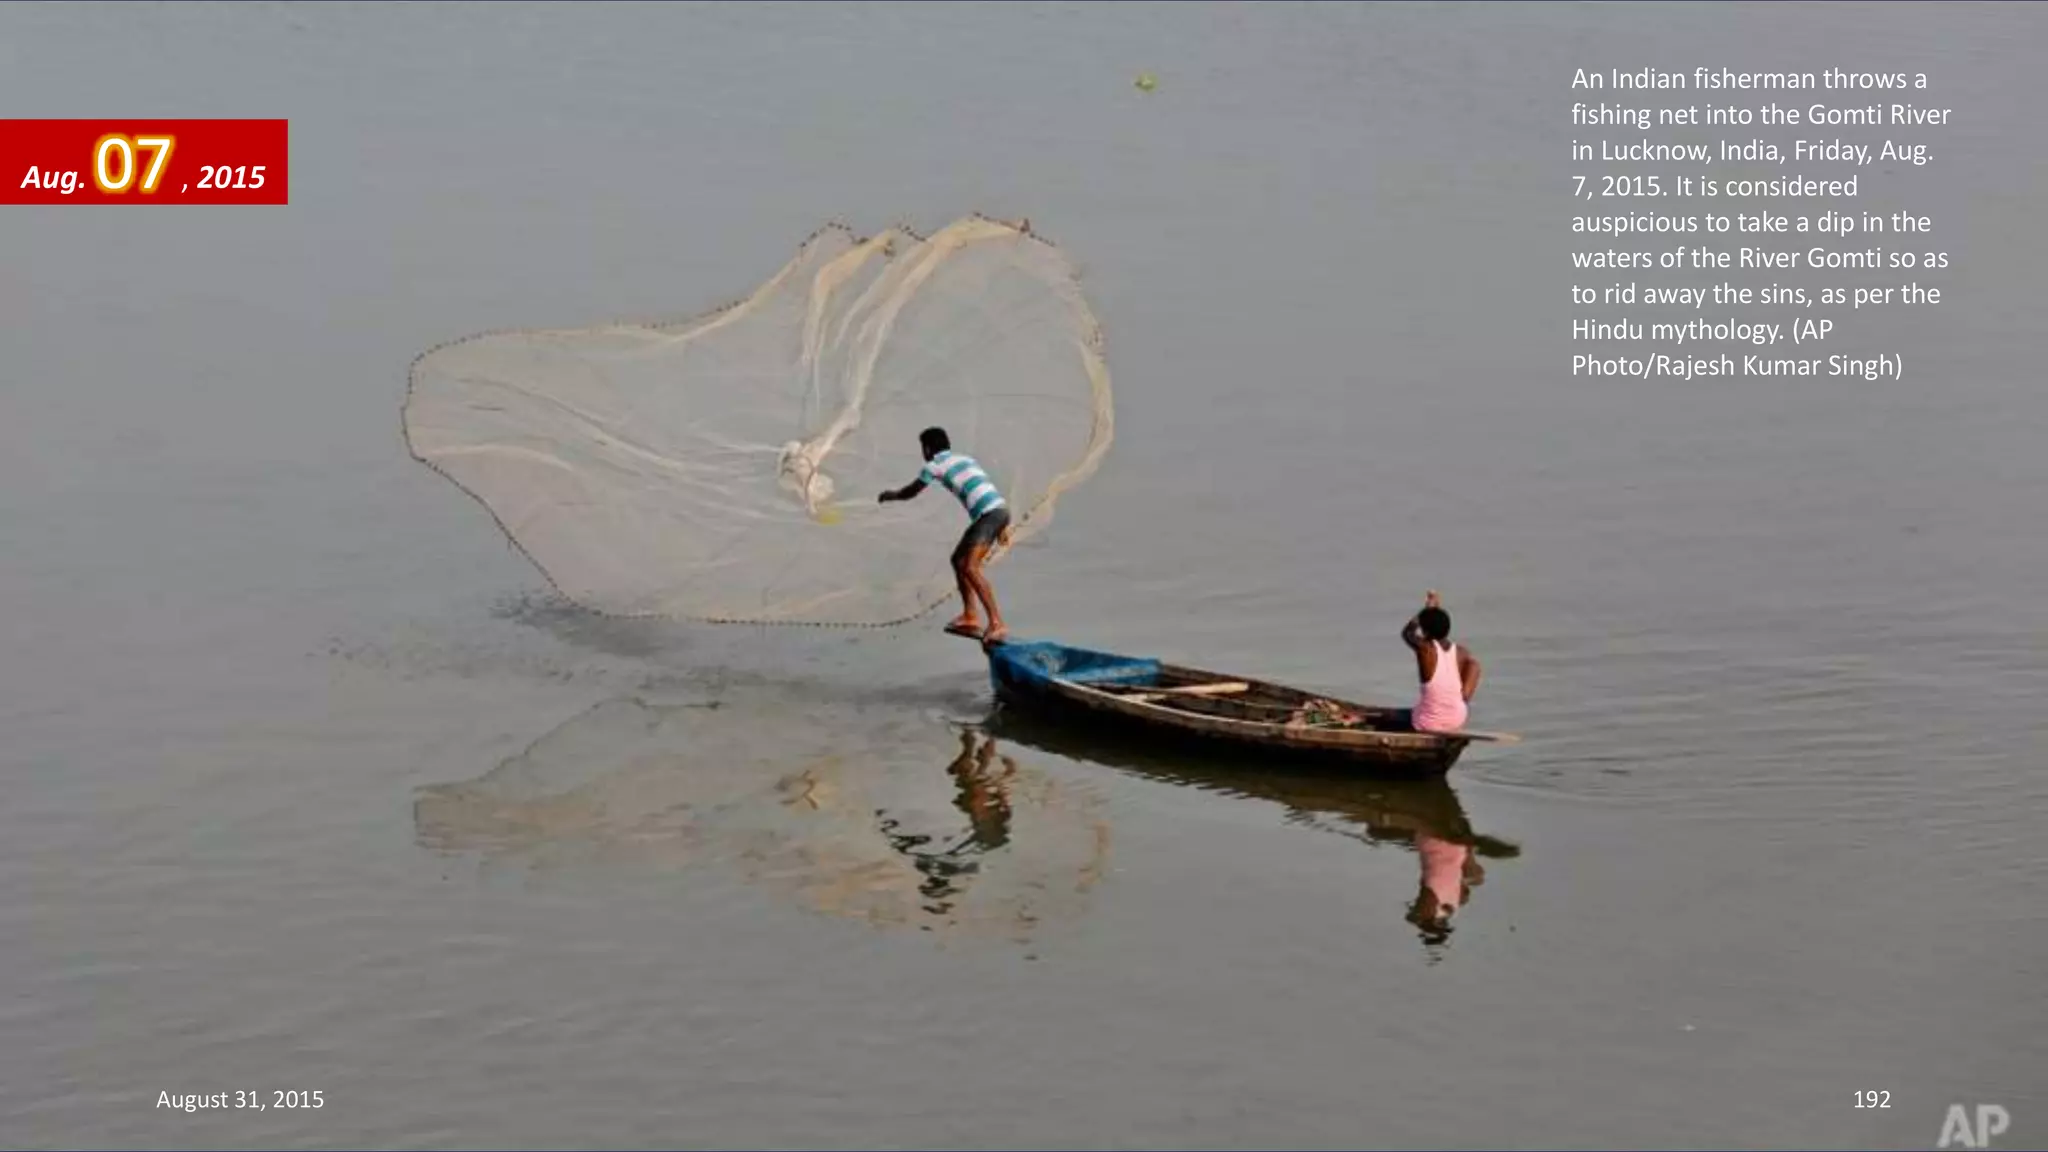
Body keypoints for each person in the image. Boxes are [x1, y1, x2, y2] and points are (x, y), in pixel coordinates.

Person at [879, 427, 1013, 644]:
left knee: (970, 567)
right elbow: (984, 486)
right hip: (998, 511)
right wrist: (1002, 526)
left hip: (990, 515)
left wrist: (891, 495)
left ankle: (997, 622)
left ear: (928, 448)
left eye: (923, 448)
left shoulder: (934, 466)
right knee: (958, 560)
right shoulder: (966, 459)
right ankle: (970, 615)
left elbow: (911, 492)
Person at [1400, 590, 1481, 732]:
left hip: (1428, 723)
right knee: (1473, 664)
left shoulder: (1426, 650)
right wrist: (1431, 611)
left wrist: (1426, 611)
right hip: (1457, 720)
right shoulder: (1462, 652)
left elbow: (1408, 633)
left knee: (1388, 716)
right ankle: (1449, 716)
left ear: (1425, 632)